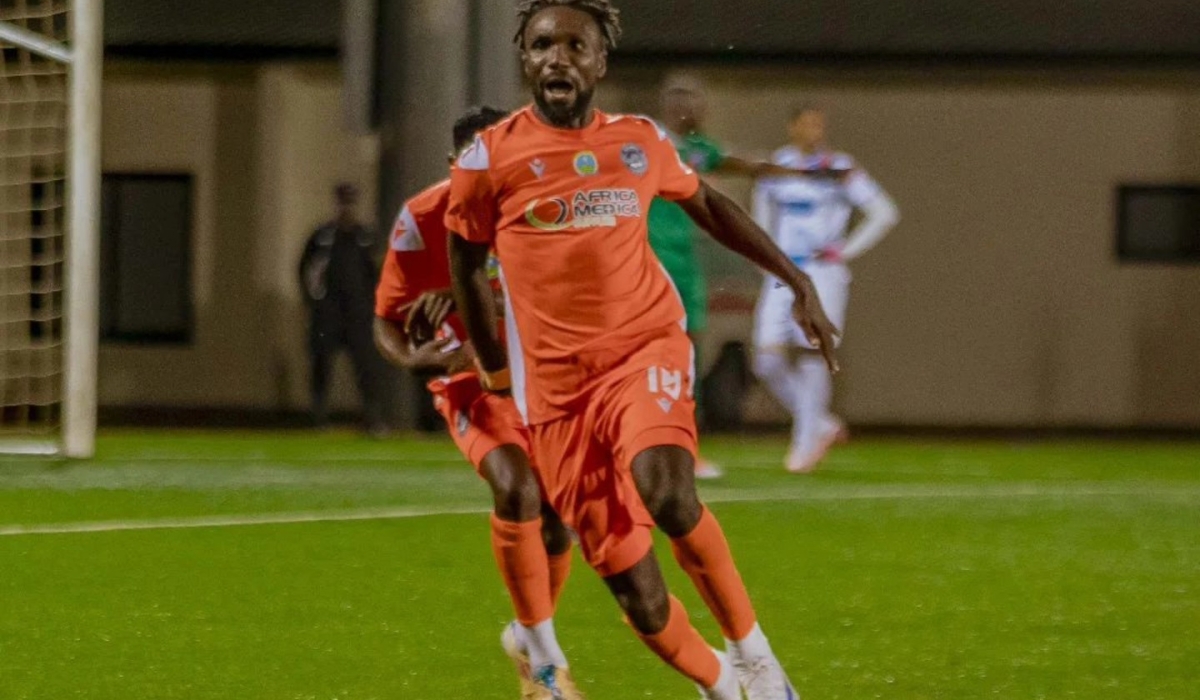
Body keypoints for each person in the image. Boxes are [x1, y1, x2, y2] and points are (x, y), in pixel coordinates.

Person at [446, 2, 839, 698]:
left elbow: (711, 204)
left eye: (576, 45)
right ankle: (722, 683)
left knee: (667, 489)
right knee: (640, 596)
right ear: (525, 60)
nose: (558, 57)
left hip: (642, 350)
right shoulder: (489, 158)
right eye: (543, 45)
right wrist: (498, 373)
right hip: (556, 392)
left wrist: (795, 276)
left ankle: (756, 658)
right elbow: (465, 263)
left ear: (600, 62)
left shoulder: (639, 142)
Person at [373, 106, 583, 700]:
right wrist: (425, 362)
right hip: (471, 384)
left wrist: (475, 290)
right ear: (453, 164)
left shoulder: (549, 210)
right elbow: (386, 320)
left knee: (557, 523)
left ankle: (526, 634)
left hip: (544, 381)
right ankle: (546, 665)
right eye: (474, 162)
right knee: (516, 488)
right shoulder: (422, 216)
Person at [649, 73, 795, 480]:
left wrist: (795, 171)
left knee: (687, 355)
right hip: (644, 262)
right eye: (682, 97)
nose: (691, 106)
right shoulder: (644, 142)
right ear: (666, 103)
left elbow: (741, 163)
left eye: (697, 98)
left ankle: (685, 449)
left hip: (683, 263)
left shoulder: (697, 149)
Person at [751, 105, 899, 473]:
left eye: (819, 124)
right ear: (792, 127)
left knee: (812, 352)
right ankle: (821, 423)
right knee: (765, 360)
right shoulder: (776, 168)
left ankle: (804, 445)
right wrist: (763, 256)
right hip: (784, 269)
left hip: (822, 271)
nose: (814, 130)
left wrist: (844, 250)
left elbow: (884, 212)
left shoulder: (840, 168)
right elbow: (760, 218)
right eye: (807, 123)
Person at [298, 183, 387, 435]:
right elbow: (306, 270)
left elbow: (378, 274)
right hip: (328, 313)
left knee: (366, 366)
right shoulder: (322, 237)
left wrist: (373, 306)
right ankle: (318, 417)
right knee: (321, 364)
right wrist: (314, 302)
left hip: (358, 314)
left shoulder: (365, 237)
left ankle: (372, 418)